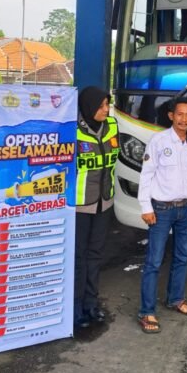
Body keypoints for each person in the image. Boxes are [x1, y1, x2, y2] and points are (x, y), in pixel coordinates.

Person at [137, 97, 187, 334]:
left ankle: (175, 299)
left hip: (186, 209)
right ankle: (147, 311)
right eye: (180, 114)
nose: (184, 119)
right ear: (171, 116)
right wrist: (146, 207)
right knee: (154, 261)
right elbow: (146, 175)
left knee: (182, 257)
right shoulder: (158, 141)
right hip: (161, 209)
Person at [74, 86, 120, 329]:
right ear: (89, 106)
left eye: (107, 105)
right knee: (78, 256)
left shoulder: (112, 126)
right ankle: (75, 306)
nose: (106, 110)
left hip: (105, 202)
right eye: (102, 105)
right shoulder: (73, 131)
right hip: (80, 205)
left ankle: (91, 303)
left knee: (95, 254)